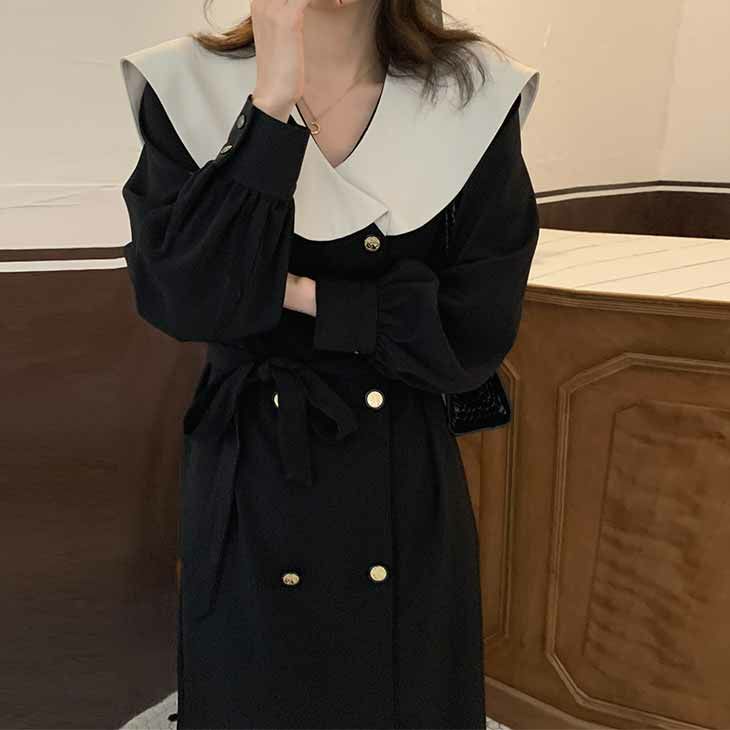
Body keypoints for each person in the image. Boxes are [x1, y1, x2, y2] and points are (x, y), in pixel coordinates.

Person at [119, 0, 540, 727]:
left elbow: (474, 330)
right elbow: (186, 299)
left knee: (399, 691)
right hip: (251, 465)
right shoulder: (185, 84)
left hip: (398, 464)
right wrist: (271, 100)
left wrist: (297, 293)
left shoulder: (471, 93)